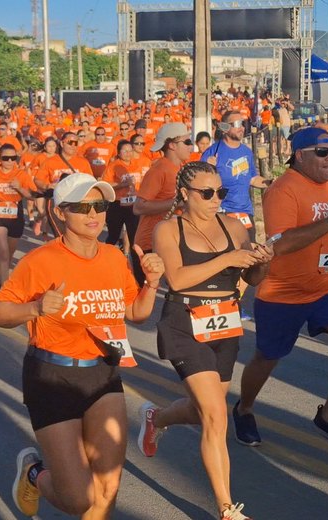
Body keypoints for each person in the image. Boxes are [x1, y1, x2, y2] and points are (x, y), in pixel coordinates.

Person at [0, 173, 164, 519]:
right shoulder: (41, 261)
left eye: (99, 205)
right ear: (60, 212)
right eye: (81, 207)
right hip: (52, 377)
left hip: (102, 374)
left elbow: (135, 313)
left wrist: (153, 283)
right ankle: (34, 474)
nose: (93, 214)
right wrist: (35, 308)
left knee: (108, 488)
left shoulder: (114, 257)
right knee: (79, 499)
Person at [138, 162, 272, 520]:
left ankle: (157, 418)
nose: (216, 199)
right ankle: (227, 508)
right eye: (207, 193)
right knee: (215, 415)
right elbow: (178, 279)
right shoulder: (168, 229)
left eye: (221, 192)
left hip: (224, 324)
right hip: (184, 322)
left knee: (203, 412)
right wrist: (228, 257)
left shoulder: (234, 226)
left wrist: (262, 261)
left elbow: (253, 277)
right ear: (185, 194)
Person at [233, 127, 328, 457]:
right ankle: (244, 409)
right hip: (285, 292)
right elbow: (279, 245)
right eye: (322, 153)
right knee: (267, 358)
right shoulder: (282, 190)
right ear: (299, 155)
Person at [200, 111, 270, 320]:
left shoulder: (246, 152)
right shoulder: (213, 152)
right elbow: (199, 184)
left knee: (250, 259)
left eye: (243, 123)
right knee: (224, 262)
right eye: (236, 123)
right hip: (222, 214)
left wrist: (270, 183)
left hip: (245, 213)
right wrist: (208, 167)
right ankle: (218, 304)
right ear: (224, 127)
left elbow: (252, 179)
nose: (241, 127)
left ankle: (233, 302)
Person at [133, 122, 192, 286]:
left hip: (170, 241)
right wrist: (177, 203)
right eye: (187, 142)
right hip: (149, 244)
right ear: (172, 145)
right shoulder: (159, 170)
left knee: (178, 288)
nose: (191, 146)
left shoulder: (179, 168)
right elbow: (138, 207)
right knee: (146, 294)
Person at [0, 144, 36, 286]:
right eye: (6, 158)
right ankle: (4, 289)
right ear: (0, 158)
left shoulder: (21, 175)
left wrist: (19, 188)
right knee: (3, 252)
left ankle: (1, 277)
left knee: (9, 253)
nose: (10, 161)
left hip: (15, 213)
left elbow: (32, 195)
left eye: (13, 158)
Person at [102, 139, 142, 256]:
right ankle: (106, 258)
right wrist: (122, 184)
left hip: (133, 205)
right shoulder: (113, 166)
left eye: (130, 151)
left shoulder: (137, 165)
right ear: (119, 153)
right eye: (125, 151)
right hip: (117, 205)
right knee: (113, 236)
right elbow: (106, 184)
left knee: (134, 238)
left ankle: (136, 264)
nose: (128, 153)